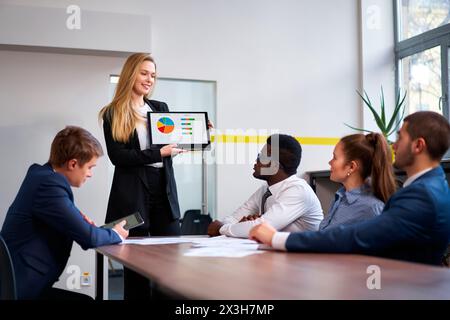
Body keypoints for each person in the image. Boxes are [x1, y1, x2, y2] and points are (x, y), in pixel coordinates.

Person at [250, 111, 450, 266]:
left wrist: (277, 238)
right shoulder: (428, 187)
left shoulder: (422, 195)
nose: (394, 146)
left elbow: (358, 236)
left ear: (418, 146)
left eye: (400, 138)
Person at [0, 126, 128, 300]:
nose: (90, 174)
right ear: (73, 164)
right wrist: (115, 234)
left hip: (19, 283)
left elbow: (82, 231)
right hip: (23, 289)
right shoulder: (49, 185)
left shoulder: (40, 174)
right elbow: (88, 238)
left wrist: (84, 227)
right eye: (90, 167)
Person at [98, 53, 185, 300]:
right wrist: (158, 152)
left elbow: (171, 148)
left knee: (170, 262)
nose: (149, 79)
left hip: (163, 191)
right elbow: (119, 157)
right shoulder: (113, 113)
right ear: (131, 74)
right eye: (144, 73)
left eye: (153, 75)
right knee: (135, 266)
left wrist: (196, 134)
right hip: (132, 194)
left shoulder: (160, 108)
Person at [208, 134, 323, 238]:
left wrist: (222, 228)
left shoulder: (298, 191)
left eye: (261, 157)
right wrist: (240, 226)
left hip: (304, 258)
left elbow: (261, 227)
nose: (256, 161)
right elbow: (233, 218)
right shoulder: (266, 190)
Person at [319, 132, 396, 231]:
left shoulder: (372, 209)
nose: (330, 162)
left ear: (351, 167)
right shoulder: (341, 196)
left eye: (335, 157)